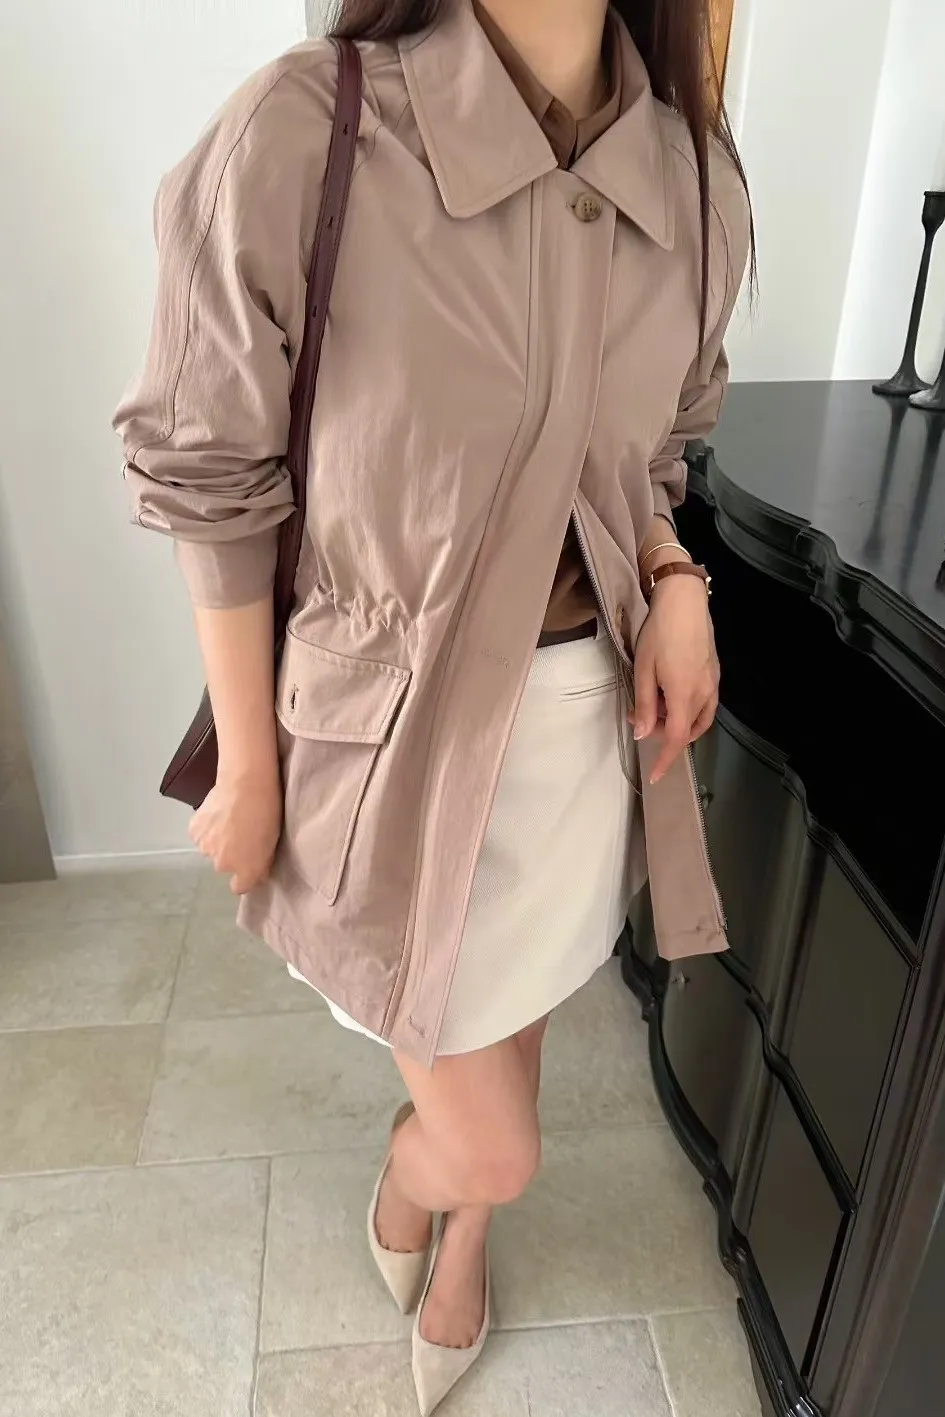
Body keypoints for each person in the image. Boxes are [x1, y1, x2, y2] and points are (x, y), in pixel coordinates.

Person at [115, 0, 752, 1409]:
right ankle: (429, 1185)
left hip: (583, 733)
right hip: (391, 751)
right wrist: (251, 769)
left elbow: (657, 449)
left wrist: (674, 573)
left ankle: (462, 1235)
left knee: (518, 1018)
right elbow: (208, 472)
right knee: (494, 1134)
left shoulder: (696, 178)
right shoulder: (308, 132)